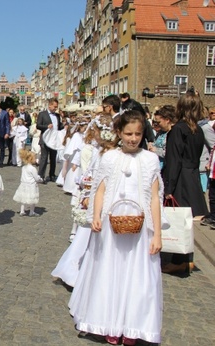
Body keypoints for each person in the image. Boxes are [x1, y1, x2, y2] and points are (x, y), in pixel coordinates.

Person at [69, 110, 164, 345]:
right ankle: (108, 322)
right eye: (129, 133)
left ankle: (132, 326)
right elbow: (99, 189)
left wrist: (158, 234)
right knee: (109, 272)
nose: (133, 139)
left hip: (140, 227)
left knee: (137, 277)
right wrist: (96, 215)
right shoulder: (110, 157)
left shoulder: (150, 159)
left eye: (138, 134)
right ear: (119, 133)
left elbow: (154, 197)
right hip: (111, 226)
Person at [52, 115, 118, 285]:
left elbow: (101, 177)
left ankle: (81, 273)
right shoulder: (100, 151)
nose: (92, 134)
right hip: (90, 194)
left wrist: (88, 189)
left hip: (99, 200)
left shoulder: (108, 154)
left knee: (89, 237)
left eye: (94, 131)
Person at [162, 93, 208, 274]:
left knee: (178, 219)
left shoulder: (179, 129)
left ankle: (179, 259)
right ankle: (186, 258)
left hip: (180, 178)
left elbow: (174, 160)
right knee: (186, 221)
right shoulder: (198, 129)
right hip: (192, 176)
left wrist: (168, 187)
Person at [37, 98, 64, 182]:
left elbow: (59, 127)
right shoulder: (42, 114)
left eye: (56, 107)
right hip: (45, 139)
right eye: (54, 107)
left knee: (53, 158)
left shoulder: (57, 115)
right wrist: (46, 126)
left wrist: (65, 126)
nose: (55, 108)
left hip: (54, 140)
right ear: (50, 105)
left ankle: (52, 175)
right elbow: (38, 126)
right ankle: (41, 175)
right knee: (44, 158)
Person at [13, 149, 43, 216]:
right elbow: (36, 178)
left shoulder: (23, 167)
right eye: (35, 158)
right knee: (32, 199)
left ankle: (22, 211)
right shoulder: (33, 169)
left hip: (23, 184)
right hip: (31, 185)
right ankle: (31, 212)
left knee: (23, 198)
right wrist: (41, 179)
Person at [149, 105, 176, 170]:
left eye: (159, 122)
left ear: (167, 120)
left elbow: (171, 153)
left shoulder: (174, 133)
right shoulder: (160, 132)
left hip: (166, 168)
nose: (156, 124)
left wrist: (156, 150)